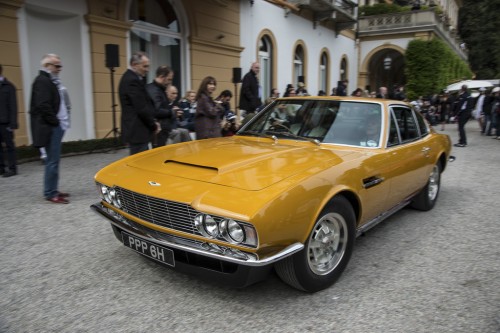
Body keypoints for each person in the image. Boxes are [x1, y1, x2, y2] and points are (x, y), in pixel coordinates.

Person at [29, 53, 71, 204]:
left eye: (60, 65)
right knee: (52, 161)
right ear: (47, 66)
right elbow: (43, 105)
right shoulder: (42, 81)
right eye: (57, 65)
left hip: (54, 126)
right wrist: (55, 122)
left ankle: (52, 189)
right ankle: (50, 192)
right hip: (51, 127)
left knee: (54, 160)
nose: (60, 68)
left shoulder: (49, 81)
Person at [119, 51, 160, 155]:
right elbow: (141, 107)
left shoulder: (133, 79)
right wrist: (153, 124)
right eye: (145, 66)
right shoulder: (131, 80)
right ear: (134, 65)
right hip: (137, 130)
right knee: (139, 164)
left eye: (148, 66)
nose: (147, 70)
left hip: (139, 130)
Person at [146, 65, 176, 147]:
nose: (170, 82)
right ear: (162, 77)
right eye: (169, 79)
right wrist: (171, 112)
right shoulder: (154, 90)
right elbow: (157, 110)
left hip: (162, 130)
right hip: (159, 131)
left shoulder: (159, 89)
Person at [0, 64, 18, 178]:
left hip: (6, 122)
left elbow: (13, 106)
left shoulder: (9, 86)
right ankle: (1, 167)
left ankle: (12, 168)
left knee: (9, 146)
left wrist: (13, 123)